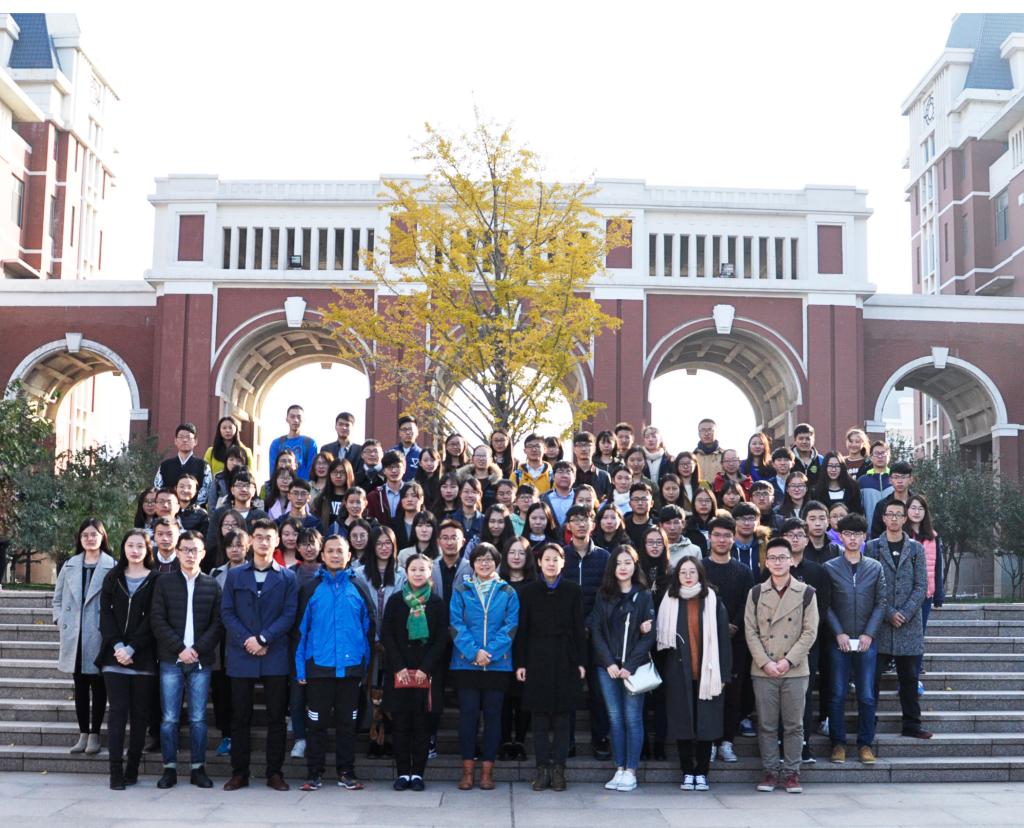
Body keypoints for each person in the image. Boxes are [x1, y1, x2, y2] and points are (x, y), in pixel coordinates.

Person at [220, 519, 298, 792]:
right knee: (240, 717)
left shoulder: (288, 577)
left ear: (277, 542)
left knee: (276, 718)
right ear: (251, 541)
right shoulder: (235, 575)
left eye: (269, 537)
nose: (264, 542)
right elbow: (227, 612)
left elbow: (289, 614)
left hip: (274, 654)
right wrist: (248, 640)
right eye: (259, 537)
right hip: (242, 654)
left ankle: (274, 772)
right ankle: (239, 772)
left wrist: (264, 639)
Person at [294, 535, 373, 792]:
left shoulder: (358, 587)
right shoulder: (310, 589)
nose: (336, 555)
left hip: (350, 670)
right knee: (316, 725)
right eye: (331, 551)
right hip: (319, 668)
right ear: (323, 555)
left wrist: (364, 668)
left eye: (340, 551)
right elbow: (300, 633)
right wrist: (301, 668)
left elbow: (368, 630)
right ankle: (314, 773)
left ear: (349, 555)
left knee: (347, 725)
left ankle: (346, 772)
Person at [745, 537, 819, 794]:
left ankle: (791, 773)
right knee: (766, 724)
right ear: (766, 562)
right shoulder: (756, 592)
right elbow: (750, 631)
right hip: (763, 668)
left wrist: (788, 661)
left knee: (794, 724)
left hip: (795, 669)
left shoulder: (807, 593)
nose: (778, 562)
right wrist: (765, 662)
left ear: (791, 561)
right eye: (773, 558)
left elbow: (810, 632)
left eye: (782, 558)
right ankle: (769, 771)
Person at [149, 532, 223, 789]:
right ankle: (169, 768)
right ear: (178, 552)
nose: (190, 554)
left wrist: (197, 650)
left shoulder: (212, 585)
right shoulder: (164, 583)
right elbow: (157, 619)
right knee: (169, 718)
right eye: (186, 550)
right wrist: (180, 648)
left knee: (198, 718)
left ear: (203, 553)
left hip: (201, 661)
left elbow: (218, 623)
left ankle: (197, 768)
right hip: (171, 659)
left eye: (195, 550)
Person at [514, 543, 587, 792]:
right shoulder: (528, 591)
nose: (551, 563)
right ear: (539, 562)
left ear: (563, 562)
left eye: (556, 559)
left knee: (563, 718)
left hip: (565, 657)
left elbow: (579, 628)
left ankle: (559, 770)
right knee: (540, 719)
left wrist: (581, 661)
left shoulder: (573, 590)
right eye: (547, 559)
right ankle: (542, 769)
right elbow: (522, 630)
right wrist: (521, 663)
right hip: (537, 658)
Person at [449, 543, 520, 791]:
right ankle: (467, 772)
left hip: (497, 665)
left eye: (489, 559)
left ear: (497, 563)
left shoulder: (507, 591)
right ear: (473, 563)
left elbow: (510, 627)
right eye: (480, 559)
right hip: (466, 664)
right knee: (468, 718)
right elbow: (456, 624)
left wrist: (490, 653)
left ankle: (487, 773)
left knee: (493, 718)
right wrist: (473, 652)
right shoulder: (461, 589)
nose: (484, 563)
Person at [657, 557, 731, 792]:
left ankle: (702, 773)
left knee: (706, 724)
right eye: (683, 572)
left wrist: (724, 674)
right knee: (683, 724)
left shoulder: (712, 601)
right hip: (678, 672)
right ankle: (687, 771)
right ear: (677, 576)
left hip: (709, 672)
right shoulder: (670, 600)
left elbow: (723, 640)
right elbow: (661, 642)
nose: (688, 576)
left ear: (700, 574)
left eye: (692, 572)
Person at [590, 544, 656, 792]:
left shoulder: (644, 595)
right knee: (615, 718)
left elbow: (650, 635)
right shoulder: (603, 594)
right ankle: (619, 768)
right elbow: (596, 631)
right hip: (607, 667)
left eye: (628, 562)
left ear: (635, 565)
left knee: (632, 718)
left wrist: (629, 665)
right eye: (618, 563)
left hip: (634, 667)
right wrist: (609, 662)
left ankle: (631, 770)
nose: (623, 567)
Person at [97, 529, 159, 789]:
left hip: (143, 658)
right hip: (114, 657)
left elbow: (154, 618)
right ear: (123, 548)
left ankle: (132, 768)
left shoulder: (156, 579)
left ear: (147, 550)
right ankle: (115, 771)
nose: (135, 550)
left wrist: (133, 648)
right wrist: (118, 645)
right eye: (130, 545)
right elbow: (105, 615)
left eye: (140, 546)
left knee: (140, 716)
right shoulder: (113, 577)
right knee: (117, 714)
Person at [864, 500, 932, 740]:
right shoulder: (872, 547)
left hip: (909, 624)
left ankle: (912, 725)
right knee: (872, 679)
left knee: (910, 679)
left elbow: (921, 585)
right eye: (889, 514)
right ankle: (868, 724)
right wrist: (889, 612)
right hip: (880, 624)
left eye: (898, 515)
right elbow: (869, 585)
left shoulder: (915, 549)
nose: (894, 519)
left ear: (905, 519)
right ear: (883, 518)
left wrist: (906, 612)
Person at [381, 553, 448, 792]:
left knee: (422, 726)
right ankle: (402, 774)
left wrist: (425, 668)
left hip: (426, 673)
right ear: (406, 572)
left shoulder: (437, 603)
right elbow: (387, 634)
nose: (418, 573)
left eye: (422, 569)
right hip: (399, 671)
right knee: (400, 726)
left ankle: (418, 774)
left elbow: (441, 639)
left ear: (430, 573)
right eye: (413, 569)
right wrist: (399, 666)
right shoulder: (396, 601)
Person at [824, 513, 886, 764]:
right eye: (847, 534)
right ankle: (838, 743)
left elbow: (881, 603)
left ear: (864, 537)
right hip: (838, 641)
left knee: (867, 695)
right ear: (840, 536)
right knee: (837, 693)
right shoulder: (830, 568)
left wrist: (869, 633)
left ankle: (865, 744)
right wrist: (838, 631)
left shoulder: (875, 567)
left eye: (857, 534)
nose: (852, 538)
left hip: (866, 641)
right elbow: (826, 604)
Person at [53, 517, 117, 756]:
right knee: (79, 686)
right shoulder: (69, 565)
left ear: (102, 537)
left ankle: (95, 734)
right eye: (85, 535)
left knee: (98, 686)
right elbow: (57, 598)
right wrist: (60, 619)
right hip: (74, 634)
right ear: (80, 539)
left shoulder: (112, 566)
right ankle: (82, 733)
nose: (90, 539)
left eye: (94, 534)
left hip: (99, 634)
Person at [776, 518, 833, 762]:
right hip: (777, 643)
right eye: (789, 535)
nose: (794, 539)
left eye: (799, 535)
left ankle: (803, 745)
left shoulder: (818, 571)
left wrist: (805, 638)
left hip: (808, 643)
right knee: (780, 695)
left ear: (807, 540)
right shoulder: (773, 569)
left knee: (804, 694)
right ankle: (780, 745)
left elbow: (823, 608)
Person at [701, 515, 755, 762]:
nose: (721, 540)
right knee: (709, 693)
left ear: (733, 539)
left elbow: (748, 602)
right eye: (717, 535)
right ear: (709, 538)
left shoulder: (743, 571)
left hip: (736, 641)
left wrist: (733, 624)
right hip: (705, 640)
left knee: (733, 692)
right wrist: (716, 626)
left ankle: (727, 742)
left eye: (726, 536)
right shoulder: (700, 568)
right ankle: (710, 742)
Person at [562, 504, 611, 760]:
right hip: (567, 635)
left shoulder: (604, 557)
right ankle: (567, 740)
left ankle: (600, 739)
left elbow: (607, 595)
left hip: (596, 634)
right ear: (568, 525)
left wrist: (590, 624)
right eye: (576, 520)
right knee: (569, 690)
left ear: (593, 524)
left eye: (586, 519)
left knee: (598, 691)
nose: (581, 524)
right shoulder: (560, 555)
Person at [355, 526, 405, 758]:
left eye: (388, 543)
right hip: (367, 642)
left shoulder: (402, 574)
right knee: (370, 690)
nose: (384, 548)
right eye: (379, 543)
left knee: (391, 690)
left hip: (394, 642)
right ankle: (373, 738)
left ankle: (390, 737)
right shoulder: (359, 574)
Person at [211, 529, 250, 758]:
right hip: (220, 639)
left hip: (245, 638)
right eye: (230, 545)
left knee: (240, 692)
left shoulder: (253, 571)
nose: (235, 550)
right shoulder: (215, 573)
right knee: (221, 690)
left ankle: (240, 735)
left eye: (239, 545)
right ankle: (226, 735)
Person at [498, 537, 536, 761]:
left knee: (523, 696)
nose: (516, 556)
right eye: (512, 552)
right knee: (503, 696)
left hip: (528, 645)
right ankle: (504, 741)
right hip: (501, 646)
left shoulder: (534, 584)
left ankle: (519, 741)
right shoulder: (497, 583)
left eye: (521, 552)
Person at [906, 494, 945, 676]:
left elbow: (937, 566)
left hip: (925, 593)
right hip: (905, 592)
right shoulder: (901, 535)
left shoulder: (933, 536)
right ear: (907, 510)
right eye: (913, 508)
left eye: (920, 509)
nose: (916, 512)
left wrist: (939, 594)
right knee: (904, 632)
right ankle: (902, 666)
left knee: (919, 632)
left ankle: (917, 667)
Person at [155, 422, 213, 506]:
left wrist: (188, 506)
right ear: (175, 441)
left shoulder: (203, 466)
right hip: (169, 509)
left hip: (196, 511)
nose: (185, 440)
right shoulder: (165, 466)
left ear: (195, 441)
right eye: (181, 437)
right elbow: (158, 489)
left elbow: (206, 491)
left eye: (188, 437)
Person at [269, 404, 319, 481]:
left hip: (302, 486)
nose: (296, 420)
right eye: (292, 417)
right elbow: (273, 469)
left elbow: (311, 470)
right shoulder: (277, 443)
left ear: (303, 419)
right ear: (287, 419)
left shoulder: (310, 443)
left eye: (299, 417)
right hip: (282, 484)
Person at [869, 460, 915, 539]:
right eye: (896, 477)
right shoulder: (882, 505)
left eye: (903, 477)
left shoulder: (917, 504)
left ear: (910, 479)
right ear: (890, 480)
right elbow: (876, 536)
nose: (900, 481)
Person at [365, 451, 406, 527]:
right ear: (383, 470)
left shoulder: (411, 493)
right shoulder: (374, 496)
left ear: (404, 469)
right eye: (390, 467)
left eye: (397, 466)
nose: (394, 471)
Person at [857, 441, 892, 526]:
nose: (880, 456)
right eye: (876, 453)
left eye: (883, 453)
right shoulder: (862, 481)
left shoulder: (895, 479)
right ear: (871, 457)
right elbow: (858, 509)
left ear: (889, 456)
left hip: (894, 529)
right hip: (869, 531)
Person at [457, 444, 503, 509]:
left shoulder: (497, 482)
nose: (481, 459)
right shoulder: (462, 480)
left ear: (491, 459)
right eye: (478, 456)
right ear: (473, 458)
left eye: (484, 456)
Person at [572, 431, 611, 499]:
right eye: (580, 445)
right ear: (574, 449)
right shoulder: (570, 475)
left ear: (594, 448)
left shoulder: (604, 476)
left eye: (587, 445)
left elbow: (608, 500)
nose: (583, 449)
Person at [540, 461, 577, 527]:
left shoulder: (580, 497)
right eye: (560, 472)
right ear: (553, 477)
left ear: (574, 478)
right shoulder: (543, 499)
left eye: (568, 472)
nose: (564, 476)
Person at [624, 482, 657, 548]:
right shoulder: (623, 526)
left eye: (644, 499)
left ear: (652, 503)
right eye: (636, 499)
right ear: (630, 503)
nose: (640, 503)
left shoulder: (658, 525)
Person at [790, 423, 823, 488]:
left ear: (813, 440)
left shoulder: (821, 460)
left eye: (808, 439)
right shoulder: (788, 460)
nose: (804, 442)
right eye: (801, 439)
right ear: (795, 440)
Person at [391, 415, 422, 482]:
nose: (408, 432)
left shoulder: (421, 454)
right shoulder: (391, 453)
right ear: (399, 433)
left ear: (417, 432)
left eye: (410, 429)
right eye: (404, 430)